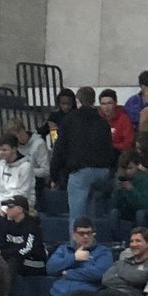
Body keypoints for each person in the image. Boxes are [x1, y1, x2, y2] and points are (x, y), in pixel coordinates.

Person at [49, 85, 116, 228]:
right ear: (93, 101)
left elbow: (59, 149)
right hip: (102, 171)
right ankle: (92, 245)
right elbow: (110, 149)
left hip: (80, 171)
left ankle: (77, 247)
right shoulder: (102, 122)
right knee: (90, 217)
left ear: (77, 100)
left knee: (77, 218)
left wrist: (54, 176)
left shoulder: (69, 120)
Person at [67, 227, 148, 296]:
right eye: (131, 241)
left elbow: (139, 278)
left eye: (138, 241)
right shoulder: (123, 262)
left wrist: (119, 273)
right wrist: (127, 276)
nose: (133, 245)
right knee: (78, 295)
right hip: (110, 292)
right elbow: (106, 279)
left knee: (105, 294)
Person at [35, 218, 113, 296]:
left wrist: (68, 273)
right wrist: (73, 258)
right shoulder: (64, 250)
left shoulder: (103, 252)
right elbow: (50, 268)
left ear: (93, 234)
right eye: (81, 234)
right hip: (58, 295)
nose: (85, 237)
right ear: (74, 235)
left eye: (89, 233)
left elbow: (98, 274)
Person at [0, 195, 47, 280]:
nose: (7, 209)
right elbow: (2, 244)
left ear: (20, 209)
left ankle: (5, 292)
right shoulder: (7, 224)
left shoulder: (32, 226)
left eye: (10, 207)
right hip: (16, 259)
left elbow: (27, 250)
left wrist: (3, 253)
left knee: (12, 262)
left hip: (34, 262)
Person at [0, 134, 36, 209]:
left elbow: (22, 193)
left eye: (4, 150)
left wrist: (3, 204)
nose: (1, 153)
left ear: (14, 149)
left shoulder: (26, 166)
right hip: (1, 204)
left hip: (21, 205)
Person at [112, 150, 148, 225]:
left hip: (145, 209)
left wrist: (131, 189)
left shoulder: (144, 179)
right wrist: (118, 191)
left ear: (137, 165)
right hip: (127, 209)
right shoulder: (120, 178)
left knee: (140, 214)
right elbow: (115, 204)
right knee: (114, 212)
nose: (127, 171)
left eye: (130, 168)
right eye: (124, 168)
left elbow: (143, 204)